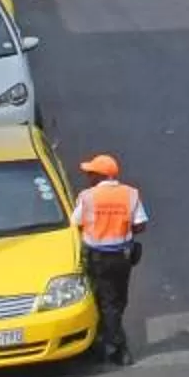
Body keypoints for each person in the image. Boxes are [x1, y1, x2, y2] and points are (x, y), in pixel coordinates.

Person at [73, 154, 149, 365]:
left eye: (90, 173)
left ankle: (117, 347)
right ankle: (109, 344)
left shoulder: (87, 196)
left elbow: (76, 222)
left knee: (106, 303)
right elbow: (141, 224)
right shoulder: (130, 194)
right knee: (117, 301)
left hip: (97, 257)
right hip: (123, 258)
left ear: (99, 176)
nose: (88, 176)